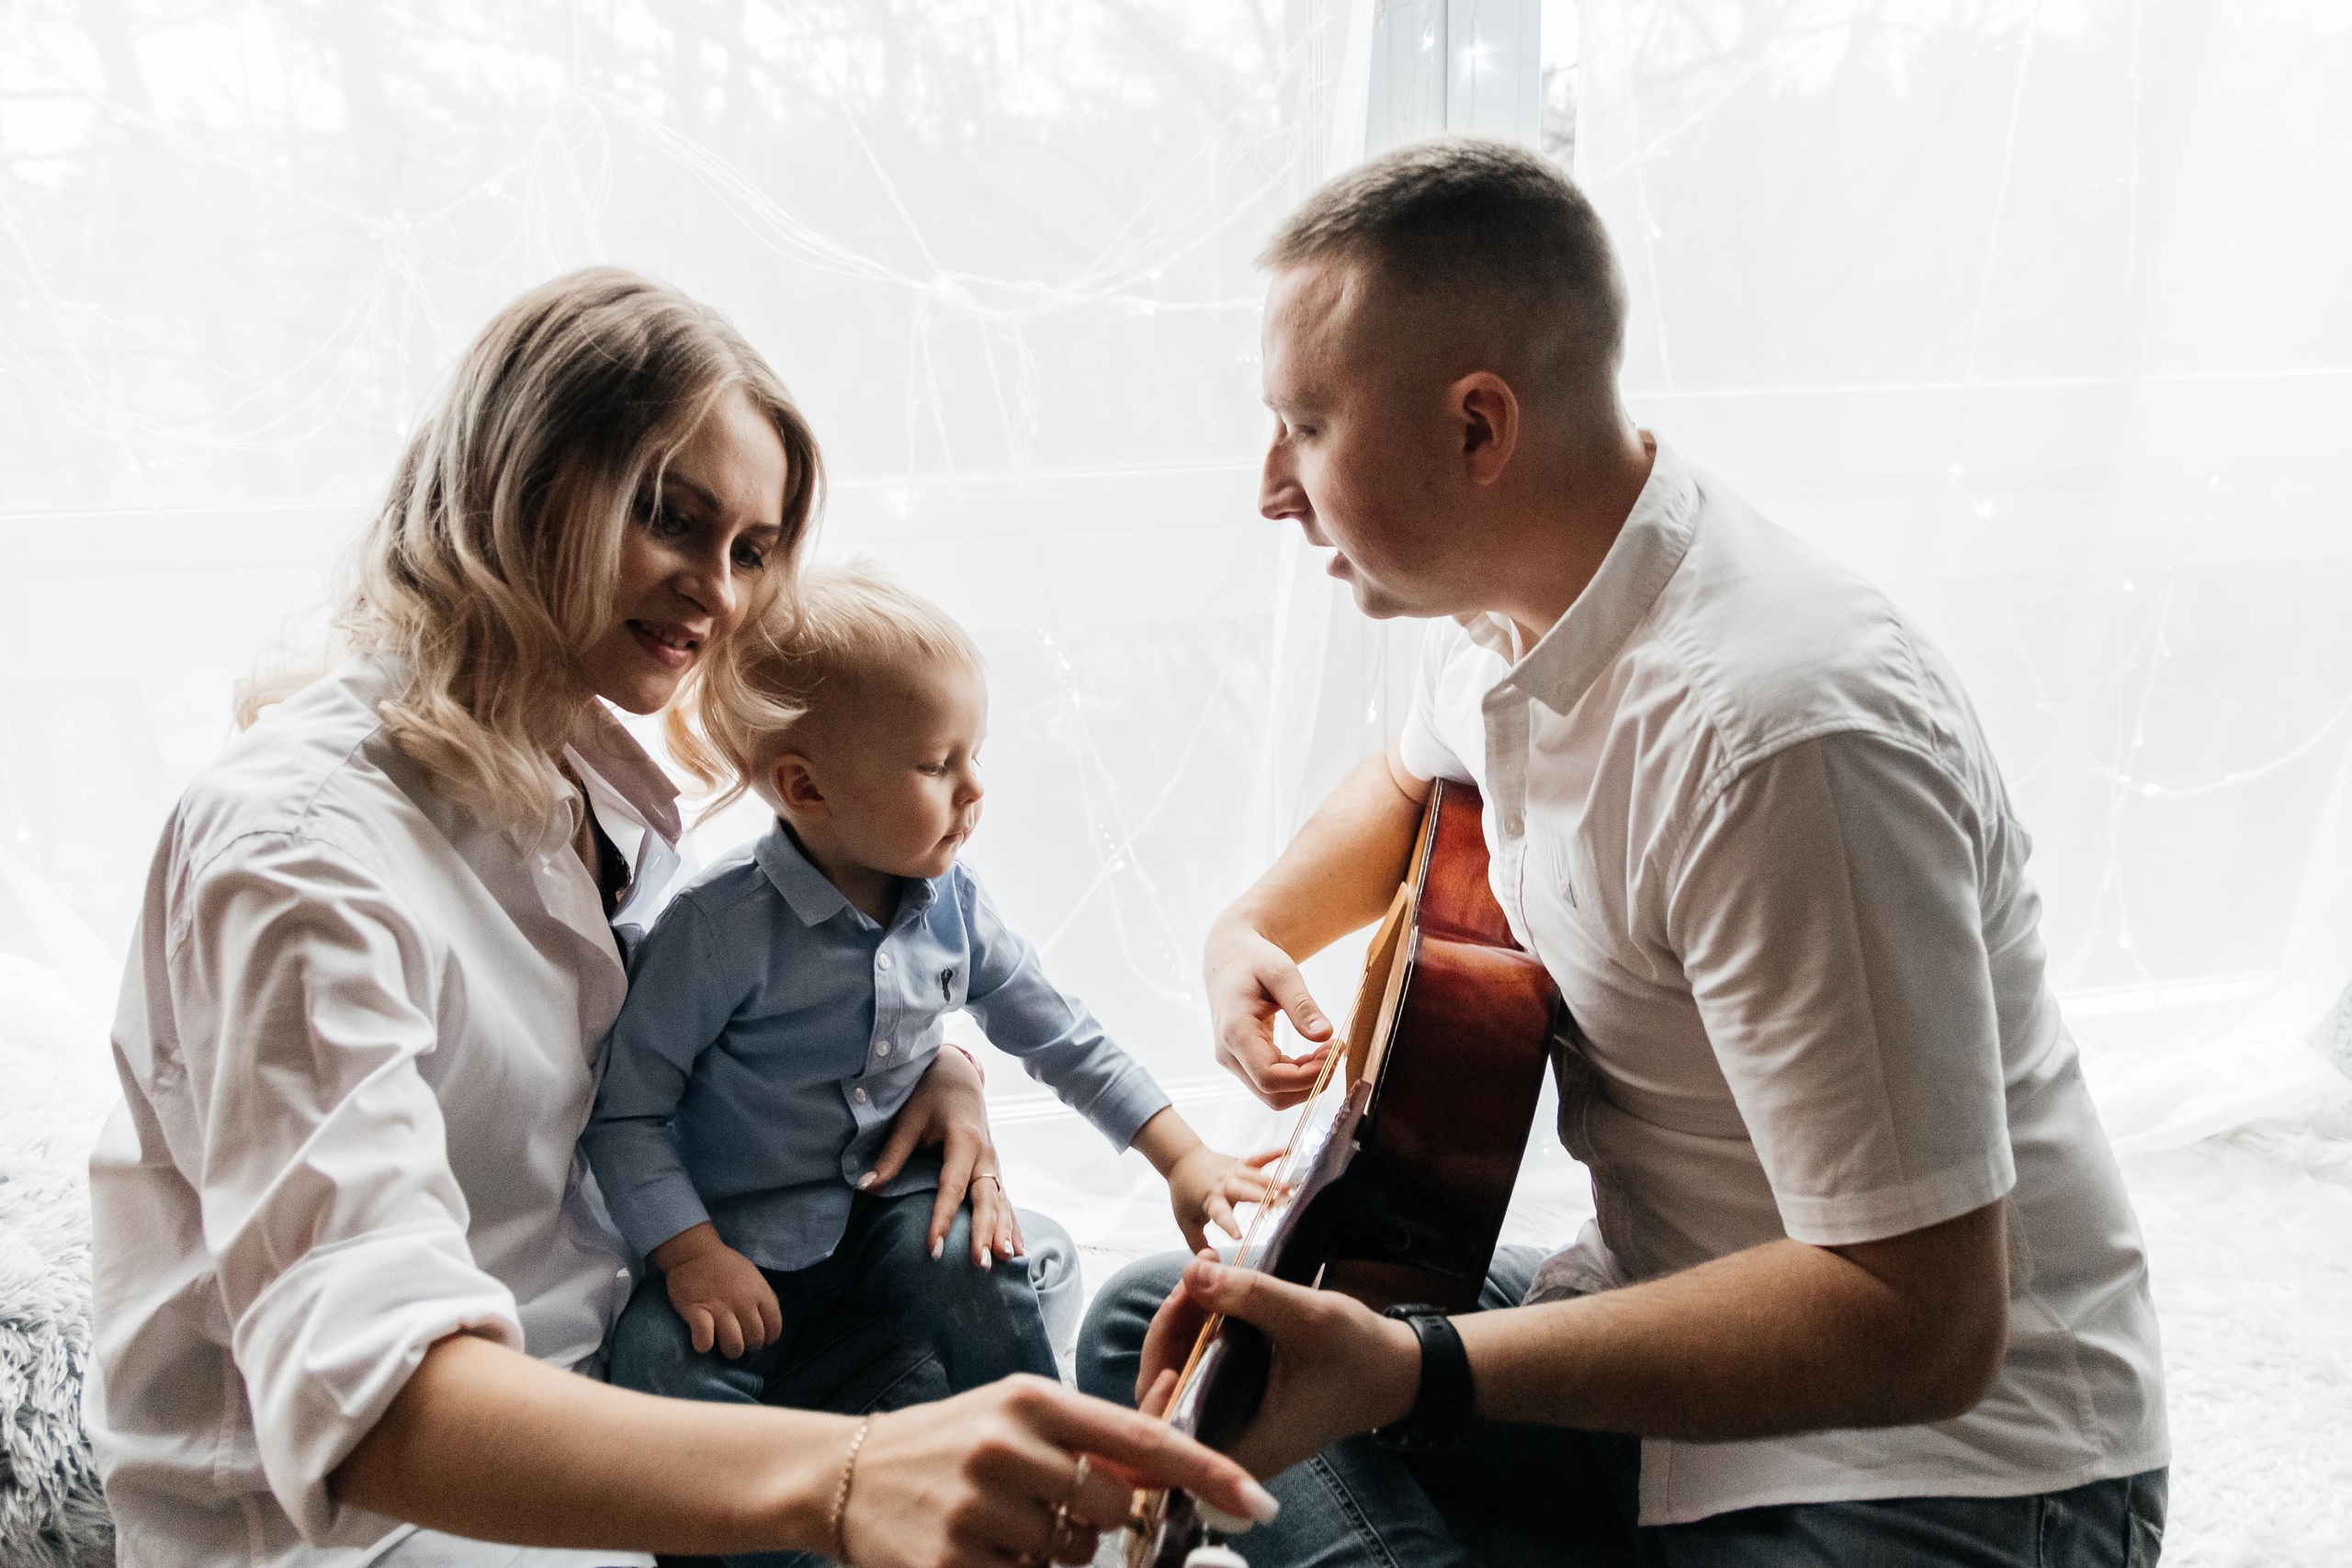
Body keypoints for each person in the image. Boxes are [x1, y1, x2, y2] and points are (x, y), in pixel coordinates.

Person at [1079, 139, 2168, 1568]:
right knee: (1150, 1333)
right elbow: (1412, 778)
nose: (1270, 484)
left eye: (1305, 424)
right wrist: (1248, 924)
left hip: (1948, 1460)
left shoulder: (1782, 740)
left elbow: (1925, 1321)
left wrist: (1417, 1367)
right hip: (1682, 1331)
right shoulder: (1521, 598)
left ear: (1479, 429)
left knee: (1285, 1390)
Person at [85, 267, 1278, 1568]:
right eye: (672, 516)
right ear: (521, 477)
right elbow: (374, 1402)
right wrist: (847, 1476)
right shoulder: (297, 849)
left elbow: (712, 1027)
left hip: (603, 1348)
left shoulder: (596, 771)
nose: (717, 589)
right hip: (388, 1518)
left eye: (753, 549)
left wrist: (942, 1058)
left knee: (1012, 1259)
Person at [583, 560, 1274, 1441]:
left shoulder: (953, 904)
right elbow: (626, 1116)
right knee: (652, 1365)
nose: (976, 789)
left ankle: (1047, 1464)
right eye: (937, 765)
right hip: (739, 1233)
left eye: (974, 755)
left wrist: (1182, 1158)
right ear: (805, 788)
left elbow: (1060, 1034)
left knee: (980, 1264)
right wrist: (690, 1255)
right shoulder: (716, 931)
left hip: (898, 1209)